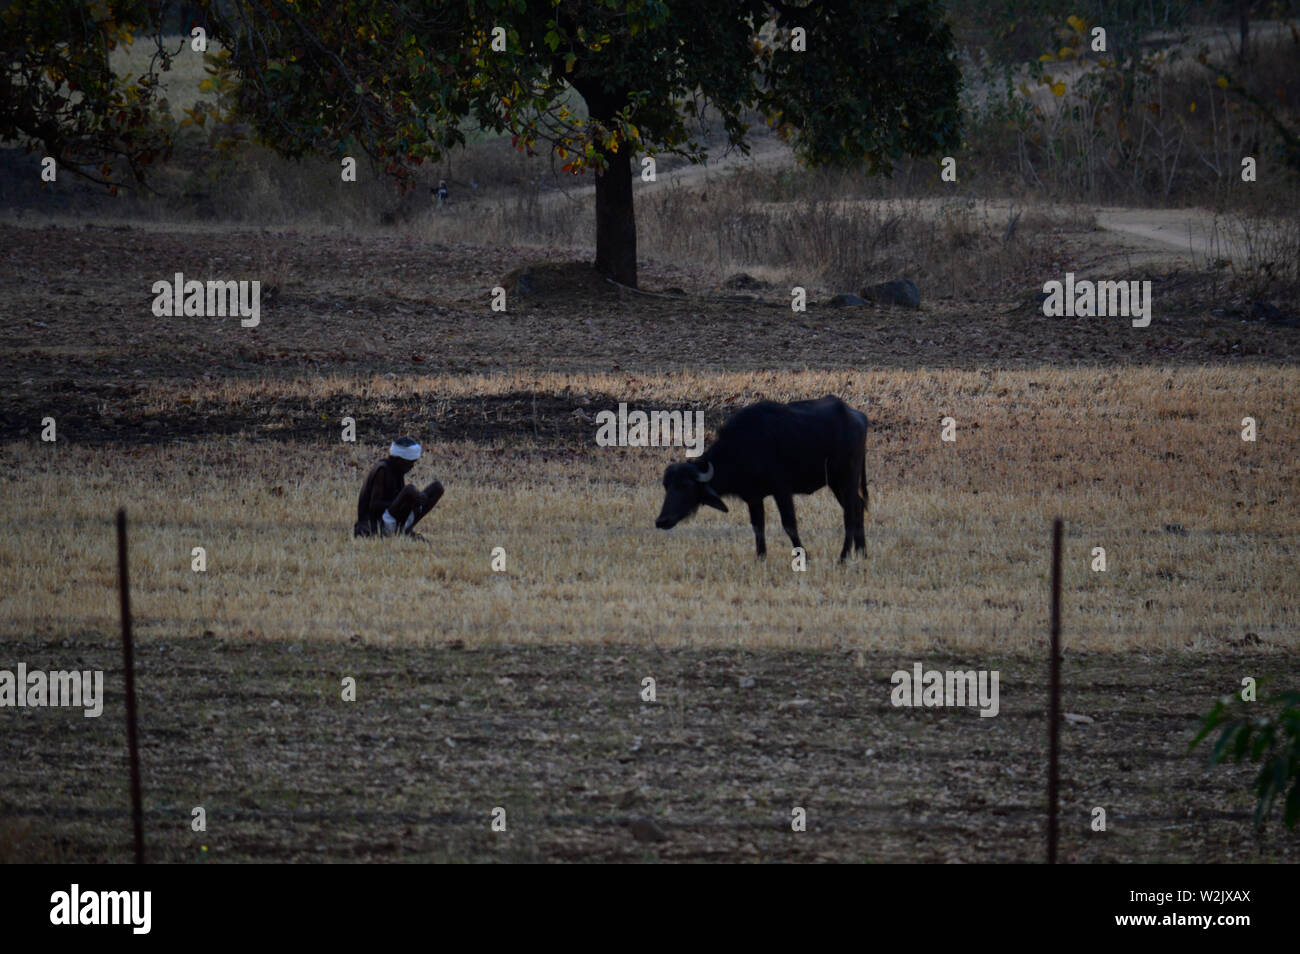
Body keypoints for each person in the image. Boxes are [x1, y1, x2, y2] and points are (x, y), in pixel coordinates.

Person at [353, 437, 444, 538]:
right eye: (410, 463)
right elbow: (374, 505)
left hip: (392, 518)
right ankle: (396, 531)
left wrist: (413, 501)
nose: (412, 466)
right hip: (378, 521)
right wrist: (403, 499)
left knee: (437, 488)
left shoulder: (398, 470)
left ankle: (405, 530)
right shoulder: (382, 470)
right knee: (410, 490)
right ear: (399, 460)